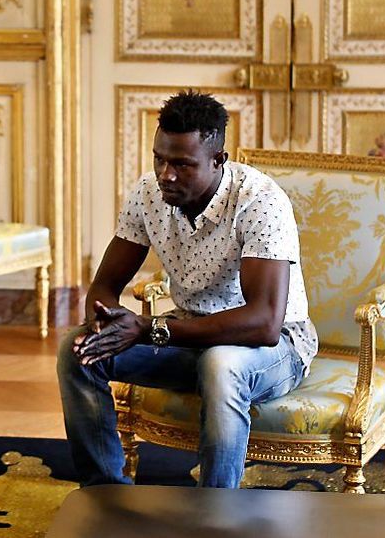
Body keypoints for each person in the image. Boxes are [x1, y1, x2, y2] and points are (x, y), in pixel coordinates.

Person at [58, 90, 317, 489]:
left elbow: (264, 323)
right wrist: (106, 322)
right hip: (187, 333)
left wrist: (147, 329)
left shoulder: (260, 202)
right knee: (77, 350)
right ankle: (105, 494)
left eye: (182, 164)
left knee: (221, 364)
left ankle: (213, 513)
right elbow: (104, 287)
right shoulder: (149, 194)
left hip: (275, 347)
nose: (166, 174)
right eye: (159, 158)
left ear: (218, 161)